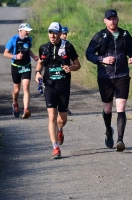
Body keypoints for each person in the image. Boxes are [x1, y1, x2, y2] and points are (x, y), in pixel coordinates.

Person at [85, 9, 132, 152]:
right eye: (109, 19)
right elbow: (89, 54)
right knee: (107, 108)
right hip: (105, 76)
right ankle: (108, 131)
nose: (112, 21)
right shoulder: (100, 36)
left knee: (121, 107)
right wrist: (102, 59)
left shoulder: (125, 34)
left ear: (118, 19)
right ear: (105, 21)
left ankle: (120, 140)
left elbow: (131, 49)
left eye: (114, 18)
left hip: (122, 75)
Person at [35, 22, 81, 159]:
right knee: (51, 115)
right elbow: (40, 63)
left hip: (63, 86)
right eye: (50, 32)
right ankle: (55, 147)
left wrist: (70, 68)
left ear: (60, 33)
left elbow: (77, 65)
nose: (52, 35)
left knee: (62, 118)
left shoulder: (68, 46)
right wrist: (37, 73)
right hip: (49, 85)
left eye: (55, 32)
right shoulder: (43, 48)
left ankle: (60, 129)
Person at [3, 23, 39, 118]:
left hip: (26, 66)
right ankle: (15, 103)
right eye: (26, 30)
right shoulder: (13, 40)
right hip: (16, 66)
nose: (28, 32)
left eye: (28, 31)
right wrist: (15, 56)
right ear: (20, 31)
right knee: (16, 90)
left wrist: (34, 56)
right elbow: (5, 53)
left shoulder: (29, 39)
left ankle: (26, 110)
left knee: (26, 87)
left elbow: (28, 49)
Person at [60, 26, 72, 115]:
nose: (64, 36)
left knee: (66, 91)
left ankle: (65, 107)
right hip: (55, 71)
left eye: (65, 34)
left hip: (66, 71)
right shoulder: (53, 44)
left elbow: (72, 58)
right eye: (63, 34)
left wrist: (70, 66)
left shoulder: (68, 44)